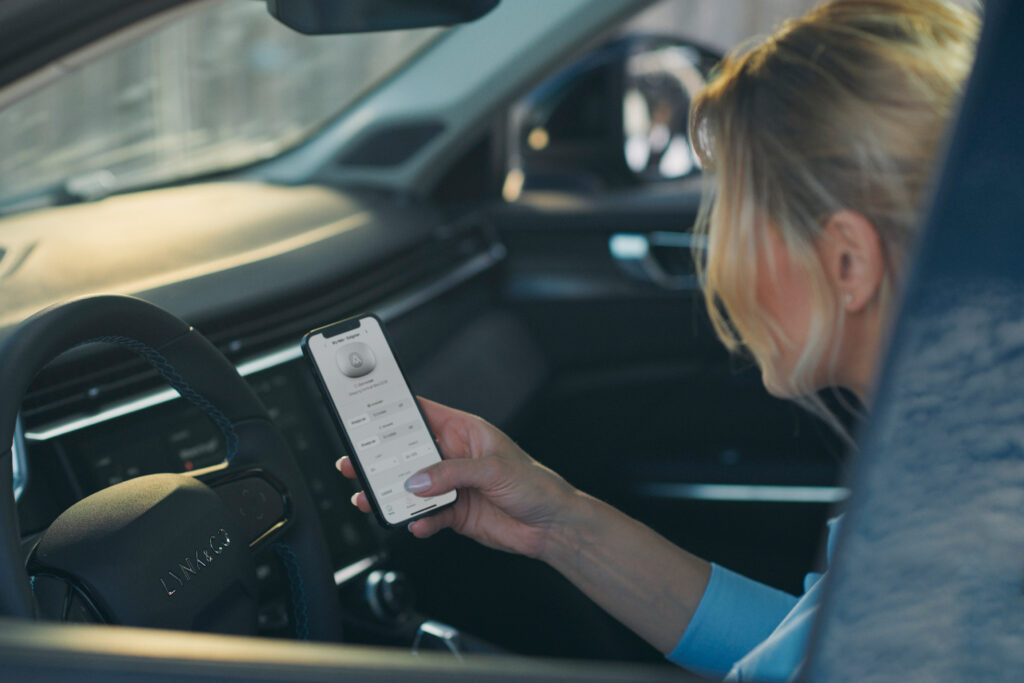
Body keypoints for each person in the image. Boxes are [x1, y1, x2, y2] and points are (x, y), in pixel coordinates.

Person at [337, 0, 979, 679]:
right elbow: (792, 648)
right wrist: (556, 519)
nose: (713, 255)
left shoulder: (937, 552)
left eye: (732, 209)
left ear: (848, 261)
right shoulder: (955, 474)